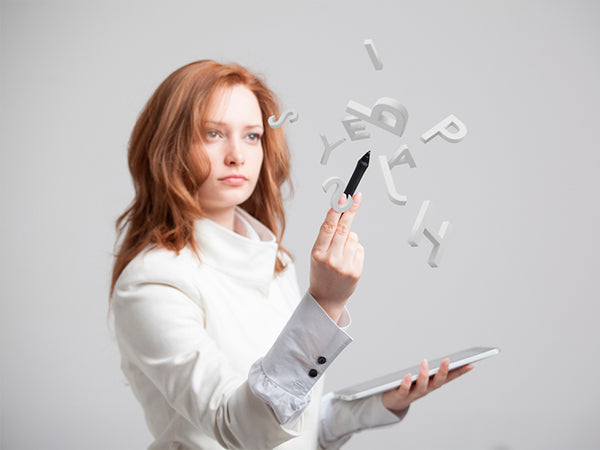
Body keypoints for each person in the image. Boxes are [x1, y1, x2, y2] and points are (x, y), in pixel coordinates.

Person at [109, 60, 472, 450]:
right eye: (213, 134)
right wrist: (324, 303)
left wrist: (381, 402)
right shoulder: (152, 283)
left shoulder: (274, 263)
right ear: (168, 146)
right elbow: (243, 429)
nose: (237, 155)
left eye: (251, 136)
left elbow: (293, 422)